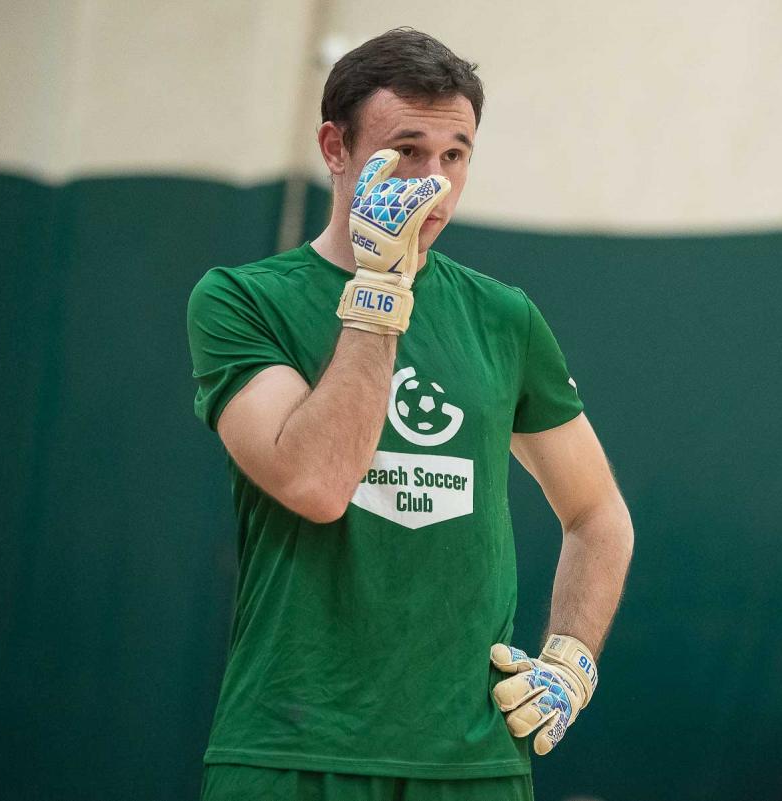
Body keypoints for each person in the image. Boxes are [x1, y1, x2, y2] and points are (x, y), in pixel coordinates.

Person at [186, 27, 634, 801]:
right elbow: (318, 483)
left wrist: (571, 660)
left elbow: (598, 514)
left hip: (471, 759)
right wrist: (380, 289)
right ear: (336, 148)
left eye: (454, 155)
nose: (434, 183)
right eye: (407, 151)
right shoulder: (240, 299)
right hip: (292, 751)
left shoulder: (503, 316)